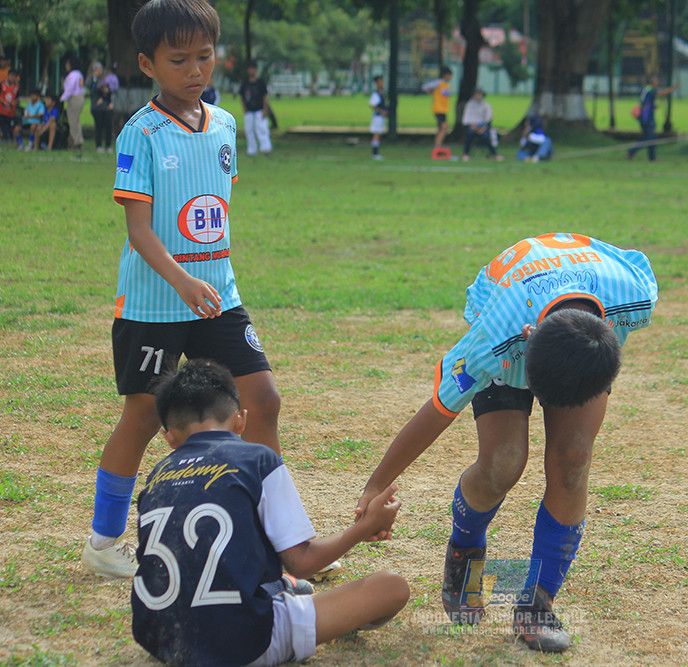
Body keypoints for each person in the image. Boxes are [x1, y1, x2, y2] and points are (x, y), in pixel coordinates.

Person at [354, 233, 658, 653]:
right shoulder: (492, 341)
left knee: (573, 460)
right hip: (512, 309)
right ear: (529, 338)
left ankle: (536, 604)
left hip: (575, 321)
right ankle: (465, 548)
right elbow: (439, 410)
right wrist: (377, 483)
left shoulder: (634, 297)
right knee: (503, 462)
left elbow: (636, 263)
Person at [80, 0, 282, 580]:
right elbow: (139, 230)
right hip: (155, 304)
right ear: (147, 63)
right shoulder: (139, 134)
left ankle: (269, 530)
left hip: (217, 295)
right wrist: (183, 279)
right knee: (144, 419)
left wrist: (207, 278)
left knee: (263, 400)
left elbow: (212, 210)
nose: (195, 70)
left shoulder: (223, 124)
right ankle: (102, 541)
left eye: (204, 56)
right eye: (178, 59)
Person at [131, 359, 410, 666]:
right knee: (391, 587)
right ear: (241, 421)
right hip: (249, 640)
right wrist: (365, 527)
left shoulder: (157, 474)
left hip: (160, 637)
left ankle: (283, 588)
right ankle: (296, 600)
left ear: (168, 436)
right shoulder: (257, 459)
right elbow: (303, 562)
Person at [627, 74, 680, 161]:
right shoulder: (650, 89)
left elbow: (645, 102)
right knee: (649, 138)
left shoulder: (646, 89)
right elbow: (661, 93)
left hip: (644, 117)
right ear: (652, 82)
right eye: (656, 81)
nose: (657, 83)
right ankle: (632, 152)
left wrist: (653, 106)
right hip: (647, 118)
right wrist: (673, 88)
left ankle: (651, 157)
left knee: (650, 138)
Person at [240, 60, 272, 156]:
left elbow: (264, 97)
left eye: (253, 69)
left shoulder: (260, 83)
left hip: (259, 109)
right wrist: (244, 107)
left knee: (262, 129)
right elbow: (242, 96)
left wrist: (265, 109)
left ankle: (266, 148)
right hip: (249, 110)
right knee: (249, 130)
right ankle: (252, 149)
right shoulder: (245, 83)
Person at [461, 88, 502, 161]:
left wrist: (482, 128)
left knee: (486, 137)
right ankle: (465, 154)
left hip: (483, 127)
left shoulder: (486, 105)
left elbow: (488, 119)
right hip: (472, 127)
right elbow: (466, 120)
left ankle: (495, 154)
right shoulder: (469, 105)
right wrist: (475, 128)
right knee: (469, 135)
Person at [422, 67, 452, 150]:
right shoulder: (439, 83)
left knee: (441, 128)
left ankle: (438, 144)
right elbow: (425, 87)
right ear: (445, 75)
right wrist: (432, 93)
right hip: (438, 109)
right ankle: (437, 147)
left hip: (444, 110)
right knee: (444, 127)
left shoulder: (447, 85)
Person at [61, 57, 85, 150]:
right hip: (80, 97)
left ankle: (77, 142)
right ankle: (74, 140)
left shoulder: (72, 75)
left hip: (74, 98)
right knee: (76, 120)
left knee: (73, 121)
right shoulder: (79, 74)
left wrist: (63, 98)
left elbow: (70, 89)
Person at [368, 75, 388, 160]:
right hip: (377, 117)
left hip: (381, 118)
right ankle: (374, 153)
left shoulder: (381, 93)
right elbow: (372, 104)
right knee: (376, 134)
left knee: (378, 134)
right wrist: (381, 111)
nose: (382, 83)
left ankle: (376, 152)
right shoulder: (376, 94)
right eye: (381, 81)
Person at [92, 80, 114, 153]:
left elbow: (111, 104)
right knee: (99, 128)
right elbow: (97, 104)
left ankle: (108, 145)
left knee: (108, 128)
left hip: (107, 113)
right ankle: (99, 145)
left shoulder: (110, 94)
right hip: (99, 112)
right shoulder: (97, 94)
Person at [0, 68, 19, 144]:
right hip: (1, 110)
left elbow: (18, 99)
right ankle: (4, 139)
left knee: (9, 126)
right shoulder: (2, 85)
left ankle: (9, 140)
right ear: (8, 76)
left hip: (11, 112)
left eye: (14, 76)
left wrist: (14, 102)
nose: (12, 78)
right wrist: (4, 102)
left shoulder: (17, 88)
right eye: (11, 76)